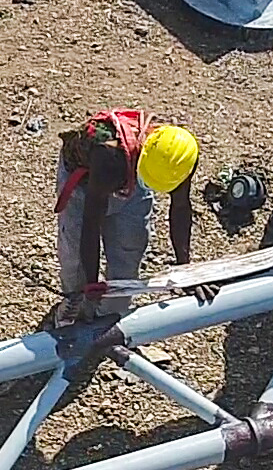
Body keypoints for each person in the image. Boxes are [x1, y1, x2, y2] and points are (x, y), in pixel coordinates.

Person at [52, 110, 200, 319]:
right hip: (86, 185)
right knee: (75, 258)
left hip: (131, 174)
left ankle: (111, 318)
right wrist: (92, 285)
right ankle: (73, 304)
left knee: (129, 251)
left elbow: (181, 207)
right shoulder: (107, 155)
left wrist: (186, 270)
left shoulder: (179, 157)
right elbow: (91, 225)